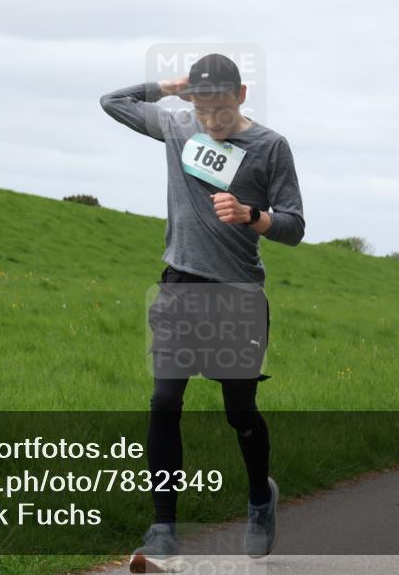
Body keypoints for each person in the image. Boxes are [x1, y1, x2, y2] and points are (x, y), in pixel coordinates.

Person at [100, 53, 305, 571]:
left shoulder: (269, 146)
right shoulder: (177, 126)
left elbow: (294, 225)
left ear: (240, 97)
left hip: (237, 295)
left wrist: (252, 216)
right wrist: (168, 87)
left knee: (239, 411)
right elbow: (112, 102)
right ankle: (163, 529)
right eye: (202, 108)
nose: (211, 120)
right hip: (178, 288)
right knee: (165, 399)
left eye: (220, 108)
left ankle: (260, 498)